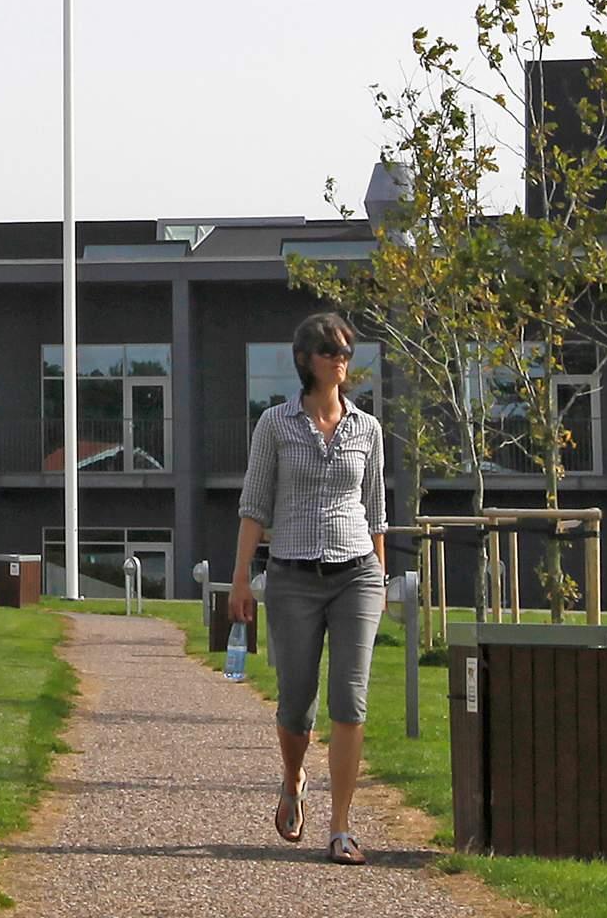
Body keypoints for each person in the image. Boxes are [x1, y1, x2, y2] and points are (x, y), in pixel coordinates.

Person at [229, 310, 387, 867]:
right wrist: (241, 578)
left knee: (350, 696)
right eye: (329, 351)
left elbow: (376, 511)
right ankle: (294, 778)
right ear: (305, 360)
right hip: (292, 576)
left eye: (346, 351)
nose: (340, 360)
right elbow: (254, 506)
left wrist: (380, 576)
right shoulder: (274, 424)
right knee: (296, 701)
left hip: (356, 574)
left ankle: (341, 826)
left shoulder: (367, 429)